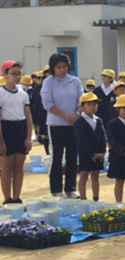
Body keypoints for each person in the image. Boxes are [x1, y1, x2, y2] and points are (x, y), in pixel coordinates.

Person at [40, 52, 83, 198]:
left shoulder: (75, 81)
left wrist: (76, 115)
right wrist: (65, 116)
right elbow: (47, 104)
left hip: (73, 124)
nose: (62, 70)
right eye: (58, 67)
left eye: (64, 66)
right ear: (53, 68)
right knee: (57, 156)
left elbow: (81, 101)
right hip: (56, 124)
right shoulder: (48, 82)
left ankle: (70, 188)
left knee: (72, 156)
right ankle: (56, 189)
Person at [0, 60, 33, 204]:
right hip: (6, 129)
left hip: (20, 129)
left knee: (19, 166)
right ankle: (7, 198)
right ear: (5, 74)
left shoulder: (23, 94)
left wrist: (28, 137)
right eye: (13, 73)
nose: (17, 77)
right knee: (7, 167)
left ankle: (16, 197)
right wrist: (1, 141)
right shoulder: (1, 93)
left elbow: (28, 116)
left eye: (19, 74)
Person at [74, 92, 106, 202]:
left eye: (95, 104)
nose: (93, 107)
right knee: (84, 174)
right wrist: (91, 153)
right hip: (85, 153)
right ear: (82, 107)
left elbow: (103, 137)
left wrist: (102, 152)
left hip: (98, 153)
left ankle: (96, 197)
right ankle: (83, 197)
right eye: (89, 104)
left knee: (95, 174)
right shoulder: (79, 122)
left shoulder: (98, 120)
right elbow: (82, 139)